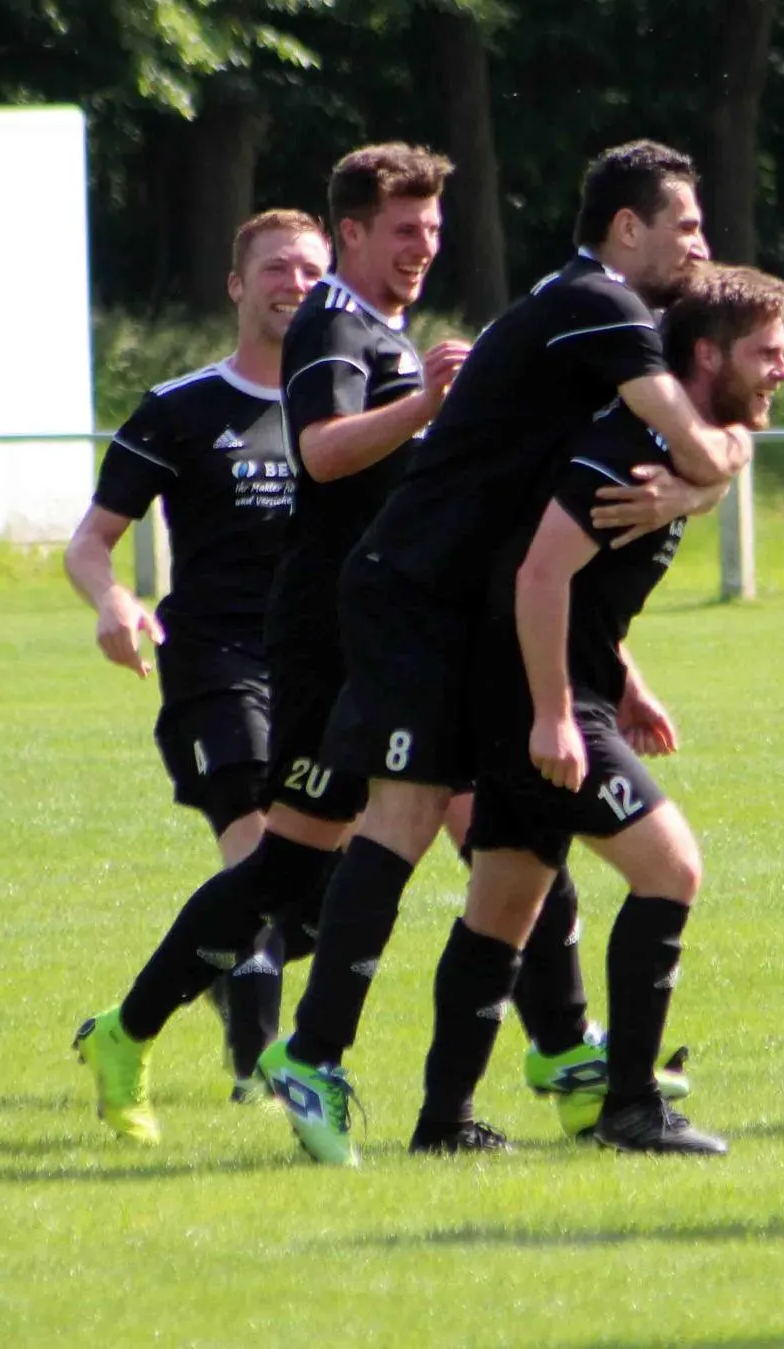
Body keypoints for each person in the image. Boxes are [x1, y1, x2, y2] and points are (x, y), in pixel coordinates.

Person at [74, 144, 581, 1144]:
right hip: (323, 642)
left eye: (433, 229)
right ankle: (204, 1043)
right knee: (291, 869)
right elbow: (322, 451)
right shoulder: (335, 325)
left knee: (493, 829)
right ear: (353, 231)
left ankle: (554, 1049)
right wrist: (426, 405)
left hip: (396, 633)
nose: (423, 246)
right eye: (403, 229)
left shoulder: (385, 332)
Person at [260, 139, 754, 1166]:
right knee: (400, 817)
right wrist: (696, 481)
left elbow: (714, 436)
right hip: (412, 587)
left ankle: (495, 1086)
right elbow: (704, 439)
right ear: (627, 228)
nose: (700, 245)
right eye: (686, 226)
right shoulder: (601, 304)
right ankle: (310, 1054)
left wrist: (691, 488)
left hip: (464, 607)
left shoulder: (590, 309)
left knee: (507, 856)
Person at [425, 263, 784, 1157]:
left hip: (549, 687)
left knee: (502, 907)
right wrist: (554, 715)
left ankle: (443, 1124)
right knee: (672, 869)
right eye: (767, 353)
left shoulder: (678, 444)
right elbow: (539, 575)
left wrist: (623, 678)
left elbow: (722, 460)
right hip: (538, 695)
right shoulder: (627, 448)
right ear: (708, 356)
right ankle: (631, 1104)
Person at [64, 210, 327, 1094]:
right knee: (257, 856)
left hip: (322, 665)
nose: (295, 285)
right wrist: (114, 600)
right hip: (216, 659)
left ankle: (201, 972)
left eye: (311, 270)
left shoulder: (353, 406)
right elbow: (90, 541)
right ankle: (261, 1072)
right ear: (237, 285)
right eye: (277, 268)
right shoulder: (182, 408)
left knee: (319, 896)